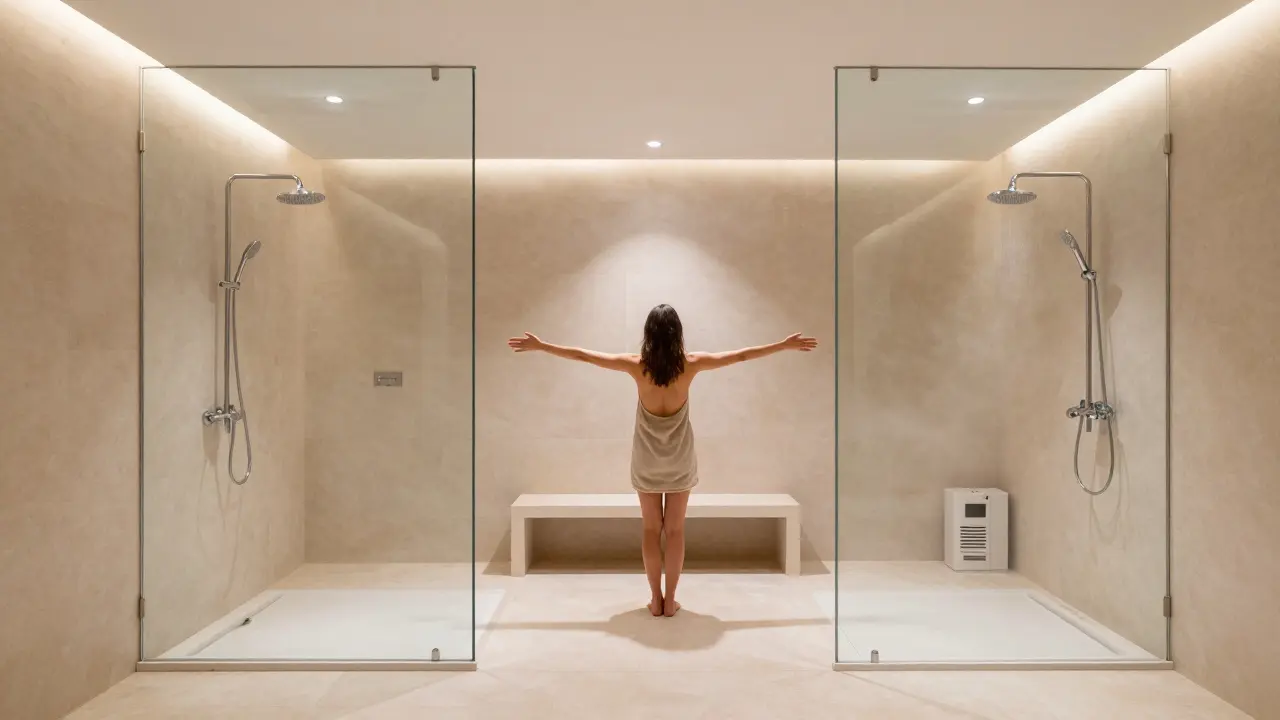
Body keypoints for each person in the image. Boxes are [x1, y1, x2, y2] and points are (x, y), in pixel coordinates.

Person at [507, 304, 818, 617]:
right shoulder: (691, 365)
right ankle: (671, 600)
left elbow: (583, 356)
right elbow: (741, 356)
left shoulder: (636, 367)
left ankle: (655, 599)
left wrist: (542, 346)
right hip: (680, 460)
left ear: (648, 335)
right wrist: (783, 345)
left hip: (646, 461)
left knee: (650, 530)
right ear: (677, 335)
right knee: (676, 531)